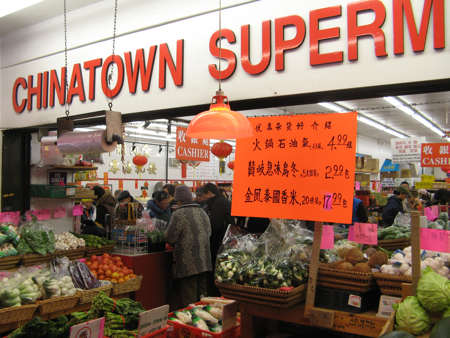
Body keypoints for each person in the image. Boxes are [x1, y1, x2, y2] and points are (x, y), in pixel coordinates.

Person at [165, 185, 212, 307]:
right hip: (204, 260)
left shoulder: (179, 213)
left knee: (190, 299)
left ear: (178, 200)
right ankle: (206, 322)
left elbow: (169, 238)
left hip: (188, 263)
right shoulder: (203, 211)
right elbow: (209, 232)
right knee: (203, 297)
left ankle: (192, 323)